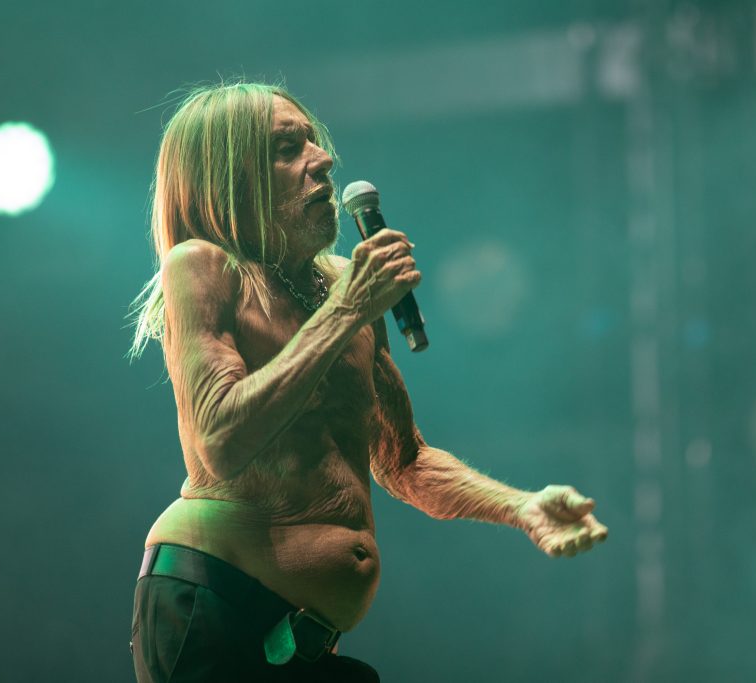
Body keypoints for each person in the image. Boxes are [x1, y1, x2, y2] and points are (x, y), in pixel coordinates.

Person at [127, 82, 609, 683]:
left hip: (302, 639)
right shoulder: (204, 266)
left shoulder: (341, 286)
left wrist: (521, 506)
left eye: (313, 141)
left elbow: (404, 462)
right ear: (232, 180)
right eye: (287, 148)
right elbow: (220, 441)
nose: (323, 160)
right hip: (216, 606)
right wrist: (346, 311)